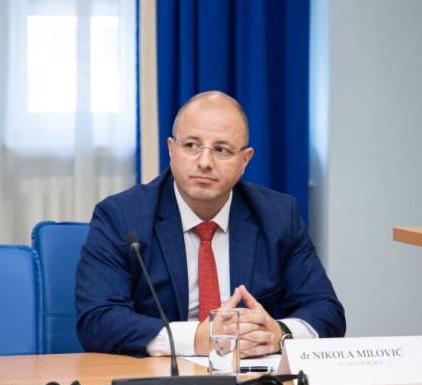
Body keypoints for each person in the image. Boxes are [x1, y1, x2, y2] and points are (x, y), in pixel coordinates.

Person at [75, 91, 345, 358]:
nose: (204, 162)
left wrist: (277, 334)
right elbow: (97, 320)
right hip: (160, 376)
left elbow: (327, 312)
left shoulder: (279, 217)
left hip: (252, 375)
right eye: (191, 145)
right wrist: (196, 339)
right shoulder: (121, 217)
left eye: (221, 150)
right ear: (171, 149)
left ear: (245, 160)